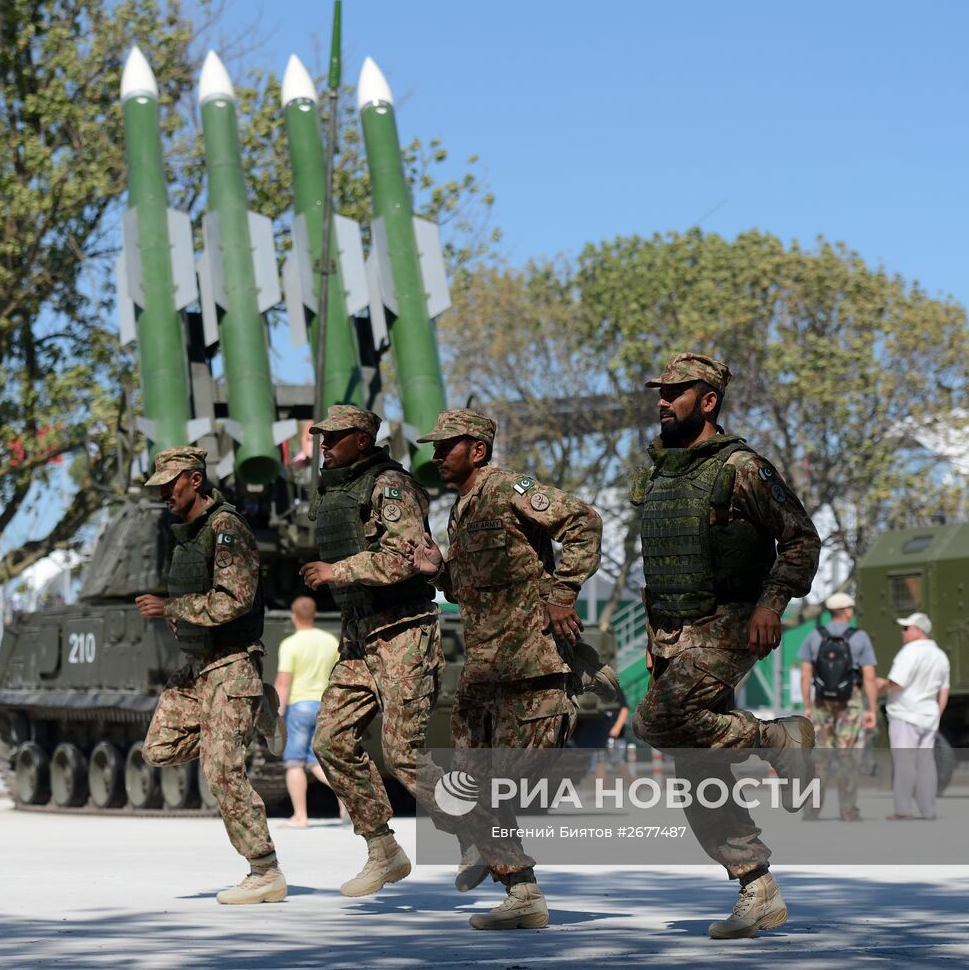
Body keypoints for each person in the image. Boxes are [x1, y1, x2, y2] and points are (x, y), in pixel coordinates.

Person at [627, 352, 822, 940]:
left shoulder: (741, 467)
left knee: (657, 720)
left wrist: (772, 604)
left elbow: (801, 540)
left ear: (708, 400)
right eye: (660, 392)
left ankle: (775, 736)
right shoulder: (660, 472)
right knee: (697, 768)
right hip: (673, 631)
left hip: (730, 622)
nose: (663, 401)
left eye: (676, 392)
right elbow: (660, 564)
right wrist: (657, 639)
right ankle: (756, 887)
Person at [409, 408, 604, 931]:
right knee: (467, 786)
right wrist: (439, 572)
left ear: (477, 449)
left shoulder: (508, 489)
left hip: (531, 668)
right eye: (432, 448)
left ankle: (505, 870)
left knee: (499, 785)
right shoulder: (461, 510)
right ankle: (520, 890)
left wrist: (563, 593)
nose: (435, 457)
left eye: (444, 446)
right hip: (483, 674)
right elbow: (471, 587)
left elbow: (584, 522)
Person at [301, 405, 447, 898]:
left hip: (403, 629)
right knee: (330, 742)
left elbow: (403, 557)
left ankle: (482, 832)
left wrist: (335, 572)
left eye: (334, 437)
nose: (324, 445)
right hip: (359, 634)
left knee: (404, 753)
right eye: (321, 437)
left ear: (361, 440)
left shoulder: (390, 486)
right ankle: (383, 849)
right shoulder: (333, 491)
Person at [135, 446, 288, 905]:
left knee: (221, 768)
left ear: (195, 480)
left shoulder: (227, 528)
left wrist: (172, 607)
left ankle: (265, 871)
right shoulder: (188, 534)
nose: (163, 493)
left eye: (169, 484)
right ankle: (253, 706)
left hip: (231, 663)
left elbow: (234, 600)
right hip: (196, 668)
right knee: (158, 749)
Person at [797, 592, 878, 821]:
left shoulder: (814, 636)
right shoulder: (859, 637)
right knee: (848, 756)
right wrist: (871, 708)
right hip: (849, 702)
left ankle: (812, 810)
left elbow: (805, 675)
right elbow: (869, 677)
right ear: (847, 611)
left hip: (821, 701)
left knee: (819, 757)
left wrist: (807, 706)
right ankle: (848, 810)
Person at [876, 611, 951, 820]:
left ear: (919, 630)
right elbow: (943, 691)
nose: (903, 632)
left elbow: (897, 683)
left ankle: (903, 809)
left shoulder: (909, 652)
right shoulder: (940, 656)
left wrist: (880, 686)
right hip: (928, 716)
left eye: (906, 628)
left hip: (905, 714)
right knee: (926, 764)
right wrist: (937, 714)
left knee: (904, 763)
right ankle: (929, 810)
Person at [274, 596, 340, 828]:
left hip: (299, 707)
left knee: (294, 761)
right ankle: (346, 797)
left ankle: (300, 816)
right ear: (313, 614)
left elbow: (283, 682)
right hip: (324, 706)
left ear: (294, 616)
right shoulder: (330, 641)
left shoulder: (290, 644)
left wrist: (278, 713)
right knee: (316, 761)